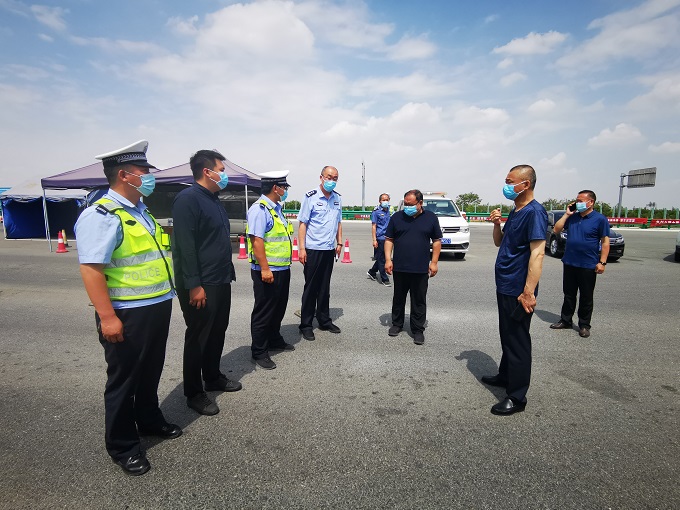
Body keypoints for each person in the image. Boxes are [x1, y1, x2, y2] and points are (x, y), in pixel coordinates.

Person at [75, 140, 180, 476]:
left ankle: (148, 419)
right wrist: (108, 317)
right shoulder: (102, 214)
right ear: (124, 175)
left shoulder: (140, 211)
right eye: (144, 171)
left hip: (156, 304)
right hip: (126, 312)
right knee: (124, 380)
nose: (149, 176)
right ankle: (122, 446)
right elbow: (92, 269)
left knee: (150, 371)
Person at [171, 150, 242, 417]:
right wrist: (194, 285)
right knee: (199, 336)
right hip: (201, 282)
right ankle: (194, 392)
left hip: (220, 278)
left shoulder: (213, 199)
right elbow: (185, 246)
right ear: (206, 171)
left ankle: (212, 376)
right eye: (221, 170)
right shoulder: (188, 199)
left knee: (217, 331)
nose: (224, 175)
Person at [481, 164, 548, 416]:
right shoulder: (516, 210)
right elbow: (500, 242)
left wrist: (528, 291)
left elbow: (538, 253)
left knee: (518, 339)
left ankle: (517, 396)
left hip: (519, 288)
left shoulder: (535, 212)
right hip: (505, 283)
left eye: (510, 182)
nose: (506, 186)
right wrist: (496, 224)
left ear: (525, 184)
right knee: (507, 334)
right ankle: (505, 375)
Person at [247, 170, 295, 370]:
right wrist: (265, 269)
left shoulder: (276, 209)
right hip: (267, 270)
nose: (285, 190)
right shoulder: (260, 209)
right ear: (276, 188)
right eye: (284, 187)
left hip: (282, 267)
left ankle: (274, 339)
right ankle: (259, 351)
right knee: (264, 311)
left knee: (278, 307)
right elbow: (256, 241)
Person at [384, 189, 442, 345]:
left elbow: (437, 241)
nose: (407, 207)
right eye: (405, 204)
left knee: (419, 300)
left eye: (410, 204)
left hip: (420, 268)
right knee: (398, 298)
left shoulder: (430, 218)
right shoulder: (397, 217)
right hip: (400, 267)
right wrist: (388, 259)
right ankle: (397, 324)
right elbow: (389, 239)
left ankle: (417, 330)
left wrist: (434, 262)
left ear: (420, 203)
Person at [549, 190, 610, 338]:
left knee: (586, 296)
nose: (578, 203)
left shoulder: (600, 219)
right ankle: (566, 320)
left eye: (581, 201)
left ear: (591, 202)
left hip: (588, 264)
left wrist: (602, 262)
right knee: (569, 294)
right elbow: (556, 229)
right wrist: (567, 214)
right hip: (570, 262)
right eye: (577, 200)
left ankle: (584, 325)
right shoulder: (573, 217)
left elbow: (605, 242)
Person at [297, 166, 343, 341]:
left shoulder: (337, 198)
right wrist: (302, 248)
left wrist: (339, 242)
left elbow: (338, 222)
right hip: (313, 249)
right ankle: (306, 325)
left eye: (335, 178)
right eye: (329, 177)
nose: (332, 180)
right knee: (311, 288)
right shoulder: (310, 197)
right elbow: (303, 224)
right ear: (321, 177)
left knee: (324, 287)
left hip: (329, 249)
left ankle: (324, 320)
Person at [367, 193, 392, 286]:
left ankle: (372, 272)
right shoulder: (376, 212)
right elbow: (374, 226)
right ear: (380, 201)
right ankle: (384, 278)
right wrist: (374, 240)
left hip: (389, 237)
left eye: (387, 200)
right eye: (383, 200)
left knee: (383, 258)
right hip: (380, 237)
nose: (385, 201)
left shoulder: (390, 210)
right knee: (382, 259)